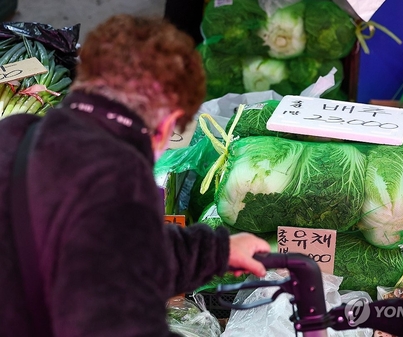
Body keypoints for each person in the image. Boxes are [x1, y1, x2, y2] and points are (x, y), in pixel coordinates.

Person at [0, 14, 270, 337]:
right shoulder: (118, 176)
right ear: (167, 123)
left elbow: (118, 248)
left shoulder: (16, 135)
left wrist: (216, 252)